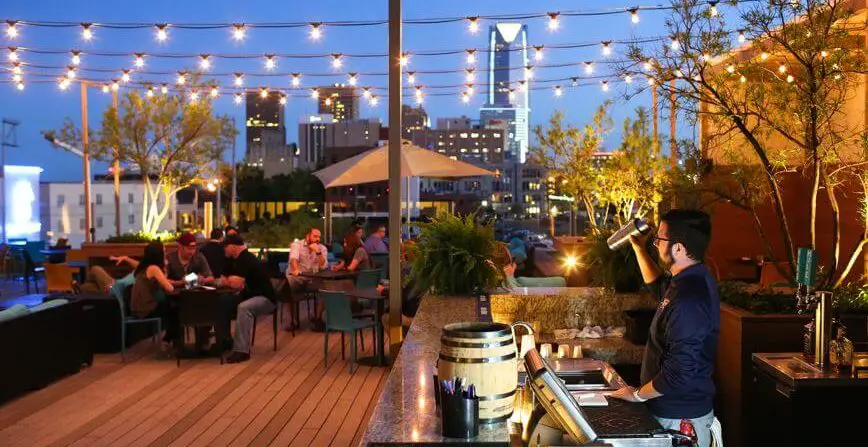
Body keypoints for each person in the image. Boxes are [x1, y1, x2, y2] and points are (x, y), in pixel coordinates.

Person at [610, 209, 720, 447]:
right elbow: (659, 287)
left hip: (680, 419)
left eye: (660, 238)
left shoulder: (690, 299)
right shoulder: (687, 280)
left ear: (678, 248)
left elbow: (679, 374)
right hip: (671, 410)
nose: (656, 243)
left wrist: (637, 395)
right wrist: (639, 249)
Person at [220, 234, 276, 364]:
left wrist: (228, 281)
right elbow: (226, 278)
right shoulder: (232, 259)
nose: (224, 249)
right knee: (223, 302)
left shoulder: (246, 259)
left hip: (265, 299)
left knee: (244, 308)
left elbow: (236, 283)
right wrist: (229, 280)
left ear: (233, 247)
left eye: (225, 247)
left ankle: (242, 351)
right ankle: (224, 341)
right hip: (250, 296)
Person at [129, 241, 177, 352]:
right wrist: (165, 267)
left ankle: (171, 340)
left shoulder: (145, 267)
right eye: (164, 251)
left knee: (172, 308)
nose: (166, 253)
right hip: (146, 309)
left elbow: (165, 282)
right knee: (176, 310)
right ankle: (169, 340)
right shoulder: (154, 268)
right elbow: (170, 288)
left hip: (138, 307)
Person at [286, 228, 328, 331]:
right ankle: (294, 321)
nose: (318, 239)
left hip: (312, 279)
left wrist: (318, 252)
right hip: (297, 277)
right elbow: (293, 259)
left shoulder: (322, 248)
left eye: (319, 237)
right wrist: (295, 270)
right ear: (308, 236)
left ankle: (317, 318)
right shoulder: (297, 245)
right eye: (315, 236)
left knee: (326, 288)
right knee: (287, 287)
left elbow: (323, 266)